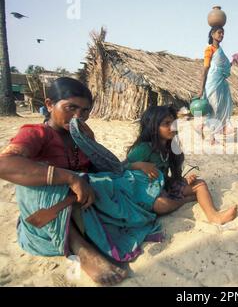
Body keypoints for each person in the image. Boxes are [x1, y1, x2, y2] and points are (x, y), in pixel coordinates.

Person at [0, 77, 175, 286]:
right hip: (52, 206)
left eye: (84, 111)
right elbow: (4, 164)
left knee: (131, 176)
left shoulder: (79, 134)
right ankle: (82, 250)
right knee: (30, 185)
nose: (78, 116)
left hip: (84, 200)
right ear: (49, 105)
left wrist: (91, 144)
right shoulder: (35, 133)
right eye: (70, 108)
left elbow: (107, 170)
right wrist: (69, 177)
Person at [126, 105, 238, 225]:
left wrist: (185, 180)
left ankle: (214, 216)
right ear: (153, 127)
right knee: (161, 205)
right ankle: (184, 200)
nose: (172, 127)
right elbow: (120, 167)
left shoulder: (171, 147)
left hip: (165, 185)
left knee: (199, 184)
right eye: (166, 124)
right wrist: (139, 165)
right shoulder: (144, 148)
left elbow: (172, 176)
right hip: (146, 191)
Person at [197, 26, 234, 144]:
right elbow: (206, 68)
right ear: (212, 34)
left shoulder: (220, 51)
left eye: (223, 33)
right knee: (214, 108)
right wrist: (201, 89)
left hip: (221, 83)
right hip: (212, 82)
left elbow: (225, 65)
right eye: (219, 33)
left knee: (220, 107)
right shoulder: (209, 49)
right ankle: (210, 137)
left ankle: (204, 129)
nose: (221, 35)